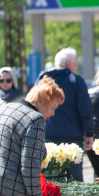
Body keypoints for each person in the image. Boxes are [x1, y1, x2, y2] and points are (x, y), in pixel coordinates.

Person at [37, 48, 94, 181]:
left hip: (48, 135)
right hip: (72, 137)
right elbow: (85, 109)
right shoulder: (76, 80)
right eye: (75, 63)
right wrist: (89, 133)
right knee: (75, 180)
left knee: (50, 176)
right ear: (68, 63)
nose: (76, 66)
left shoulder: (41, 80)